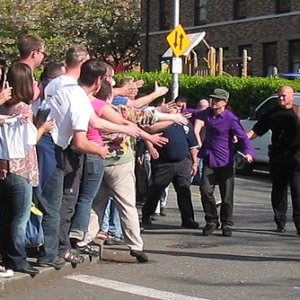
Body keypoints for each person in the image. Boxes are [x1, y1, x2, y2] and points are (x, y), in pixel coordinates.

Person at [0, 63, 52, 276]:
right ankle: (18, 259)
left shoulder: (3, 107)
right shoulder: (23, 108)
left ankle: (7, 254)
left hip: (5, 167)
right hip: (21, 168)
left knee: (6, 215)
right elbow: (28, 141)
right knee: (19, 217)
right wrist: (43, 127)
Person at [193, 88, 255, 237]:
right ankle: (212, 221)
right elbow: (193, 112)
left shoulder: (230, 118)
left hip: (225, 161)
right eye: (212, 99)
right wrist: (178, 110)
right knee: (205, 191)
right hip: (209, 158)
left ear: (224, 103)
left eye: (217, 100)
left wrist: (249, 152)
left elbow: (243, 137)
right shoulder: (207, 113)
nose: (213, 102)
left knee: (226, 195)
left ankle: (227, 223)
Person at [247, 86, 300, 235]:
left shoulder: (298, 113)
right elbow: (257, 130)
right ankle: (280, 221)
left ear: (291, 96)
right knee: (278, 191)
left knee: (297, 191)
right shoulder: (272, 113)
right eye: (279, 96)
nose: (281, 98)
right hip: (278, 156)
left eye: (284, 96)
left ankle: (299, 224)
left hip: (296, 157)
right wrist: (242, 139)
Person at [142, 107, 199, 229]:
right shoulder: (160, 123)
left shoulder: (186, 123)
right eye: (173, 109)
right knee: (156, 189)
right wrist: (151, 148)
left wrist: (195, 162)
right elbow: (149, 131)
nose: (175, 111)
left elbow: (193, 144)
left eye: (178, 109)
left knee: (184, 191)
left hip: (183, 162)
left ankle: (188, 219)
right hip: (164, 163)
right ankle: (147, 214)